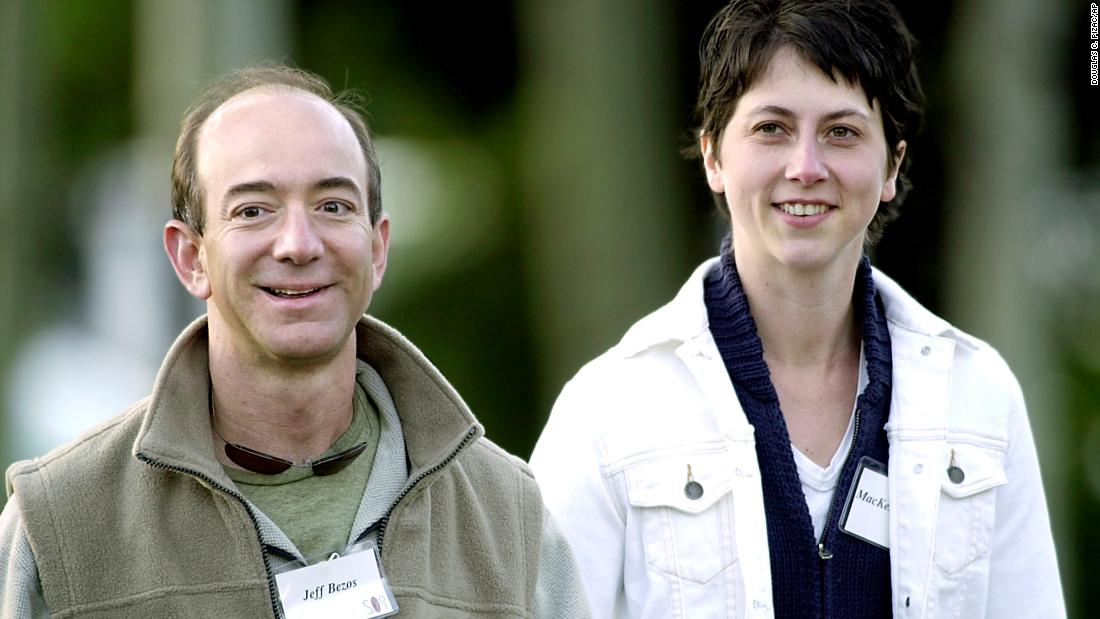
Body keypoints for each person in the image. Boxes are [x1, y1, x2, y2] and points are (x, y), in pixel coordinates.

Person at [530, 0, 1065, 617]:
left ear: (891, 164)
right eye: (771, 128)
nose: (805, 167)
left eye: (841, 132)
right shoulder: (607, 410)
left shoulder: (980, 397)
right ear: (713, 157)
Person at [1, 65, 589, 618]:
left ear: (377, 248)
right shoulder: (58, 524)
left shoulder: (506, 516)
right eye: (253, 210)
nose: (298, 244)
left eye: (333, 206)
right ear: (190, 257)